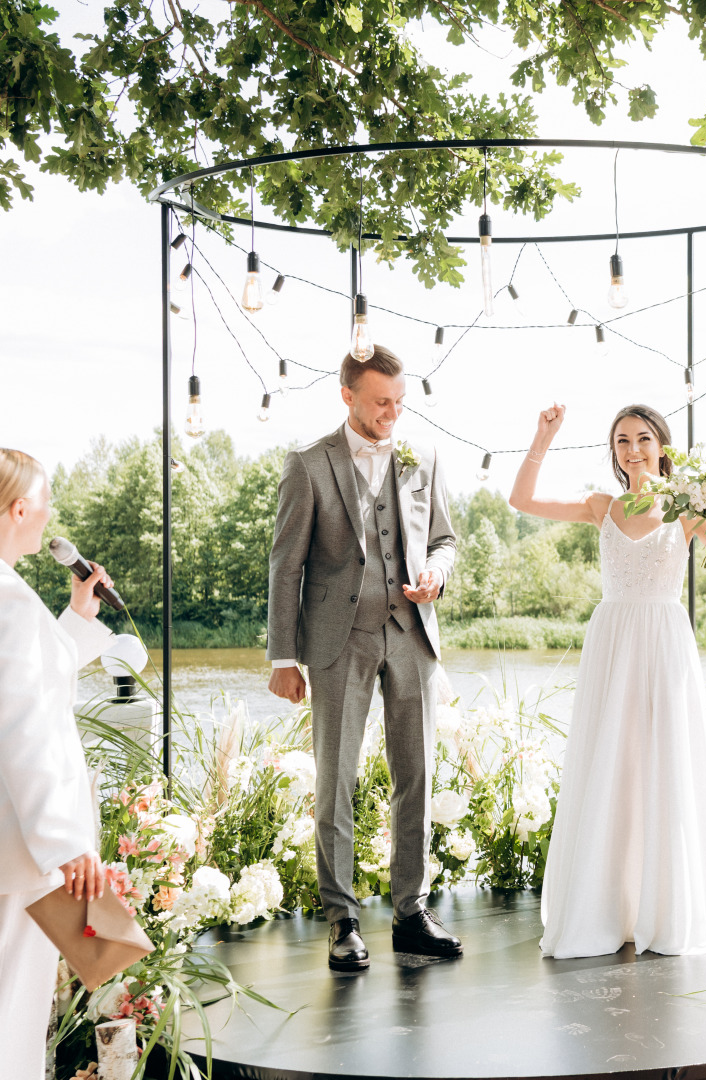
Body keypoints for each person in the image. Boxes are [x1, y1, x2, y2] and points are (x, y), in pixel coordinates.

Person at [509, 403, 706, 959]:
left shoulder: (689, 509)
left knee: (663, 764)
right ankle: (609, 907)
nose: (633, 448)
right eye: (622, 440)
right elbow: (520, 502)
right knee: (612, 765)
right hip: (614, 642)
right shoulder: (603, 506)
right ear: (614, 451)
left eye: (643, 438)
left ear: (662, 445)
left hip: (665, 642)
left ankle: (661, 910)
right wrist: (542, 437)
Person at [267, 345, 460, 971]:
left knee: (417, 772)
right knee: (336, 778)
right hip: (335, 639)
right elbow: (285, 565)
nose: (392, 414)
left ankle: (411, 912)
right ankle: (342, 917)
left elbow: (445, 539)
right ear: (347, 395)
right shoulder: (307, 464)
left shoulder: (422, 456)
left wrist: (435, 570)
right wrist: (282, 657)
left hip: (411, 633)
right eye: (382, 403)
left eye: (400, 403)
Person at [0, 447, 115, 1080]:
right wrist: (64, 840)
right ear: (18, 508)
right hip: (23, 838)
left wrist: (78, 616)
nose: (47, 516)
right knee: (2, 1005)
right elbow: (22, 729)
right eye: (42, 503)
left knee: (6, 1000)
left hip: (1, 829)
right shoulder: (0, 594)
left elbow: (30, 686)